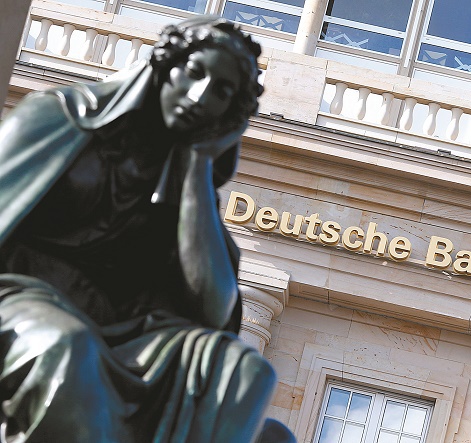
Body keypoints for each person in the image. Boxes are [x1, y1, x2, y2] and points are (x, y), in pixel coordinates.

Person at [0, 16, 287, 442]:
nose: (200, 96)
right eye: (194, 72)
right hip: (21, 297)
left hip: (125, 332)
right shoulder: (62, 115)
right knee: (68, 349)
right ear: (165, 64)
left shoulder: (187, 179)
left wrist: (198, 165)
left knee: (246, 371)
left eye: (222, 92)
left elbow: (214, 310)